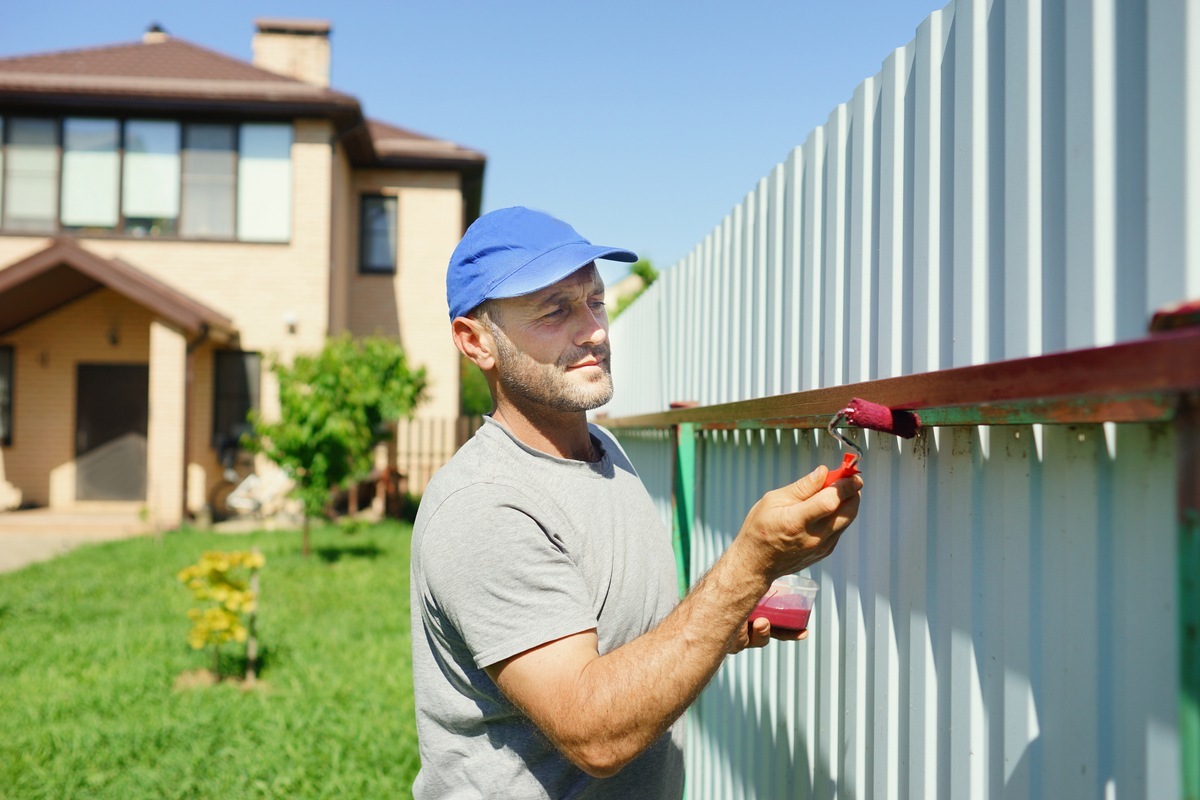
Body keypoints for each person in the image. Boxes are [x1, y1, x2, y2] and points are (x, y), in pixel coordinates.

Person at [410, 206, 863, 799]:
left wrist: (724, 622)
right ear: (476, 343)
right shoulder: (484, 509)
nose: (593, 329)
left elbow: (614, 647)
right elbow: (594, 732)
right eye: (555, 310)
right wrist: (750, 565)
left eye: (594, 301)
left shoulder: (601, 450)